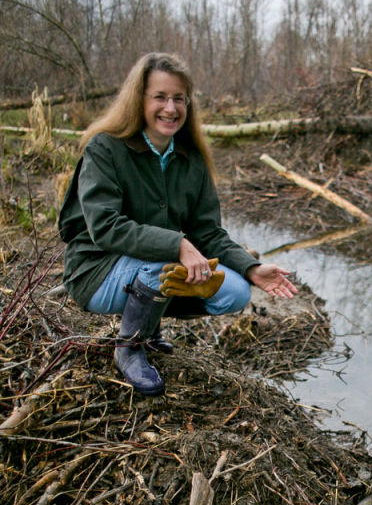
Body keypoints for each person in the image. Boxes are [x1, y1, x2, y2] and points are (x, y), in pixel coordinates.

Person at [58, 51, 297, 396]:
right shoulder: (105, 148)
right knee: (166, 265)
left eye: (178, 99)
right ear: (139, 99)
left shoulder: (191, 159)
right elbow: (105, 226)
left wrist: (251, 267)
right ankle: (130, 348)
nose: (170, 108)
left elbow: (208, 232)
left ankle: (149, 325)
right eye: (160, 97)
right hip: (96, 272)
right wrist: (179, 246)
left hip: (150, 269)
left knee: (234, 292)